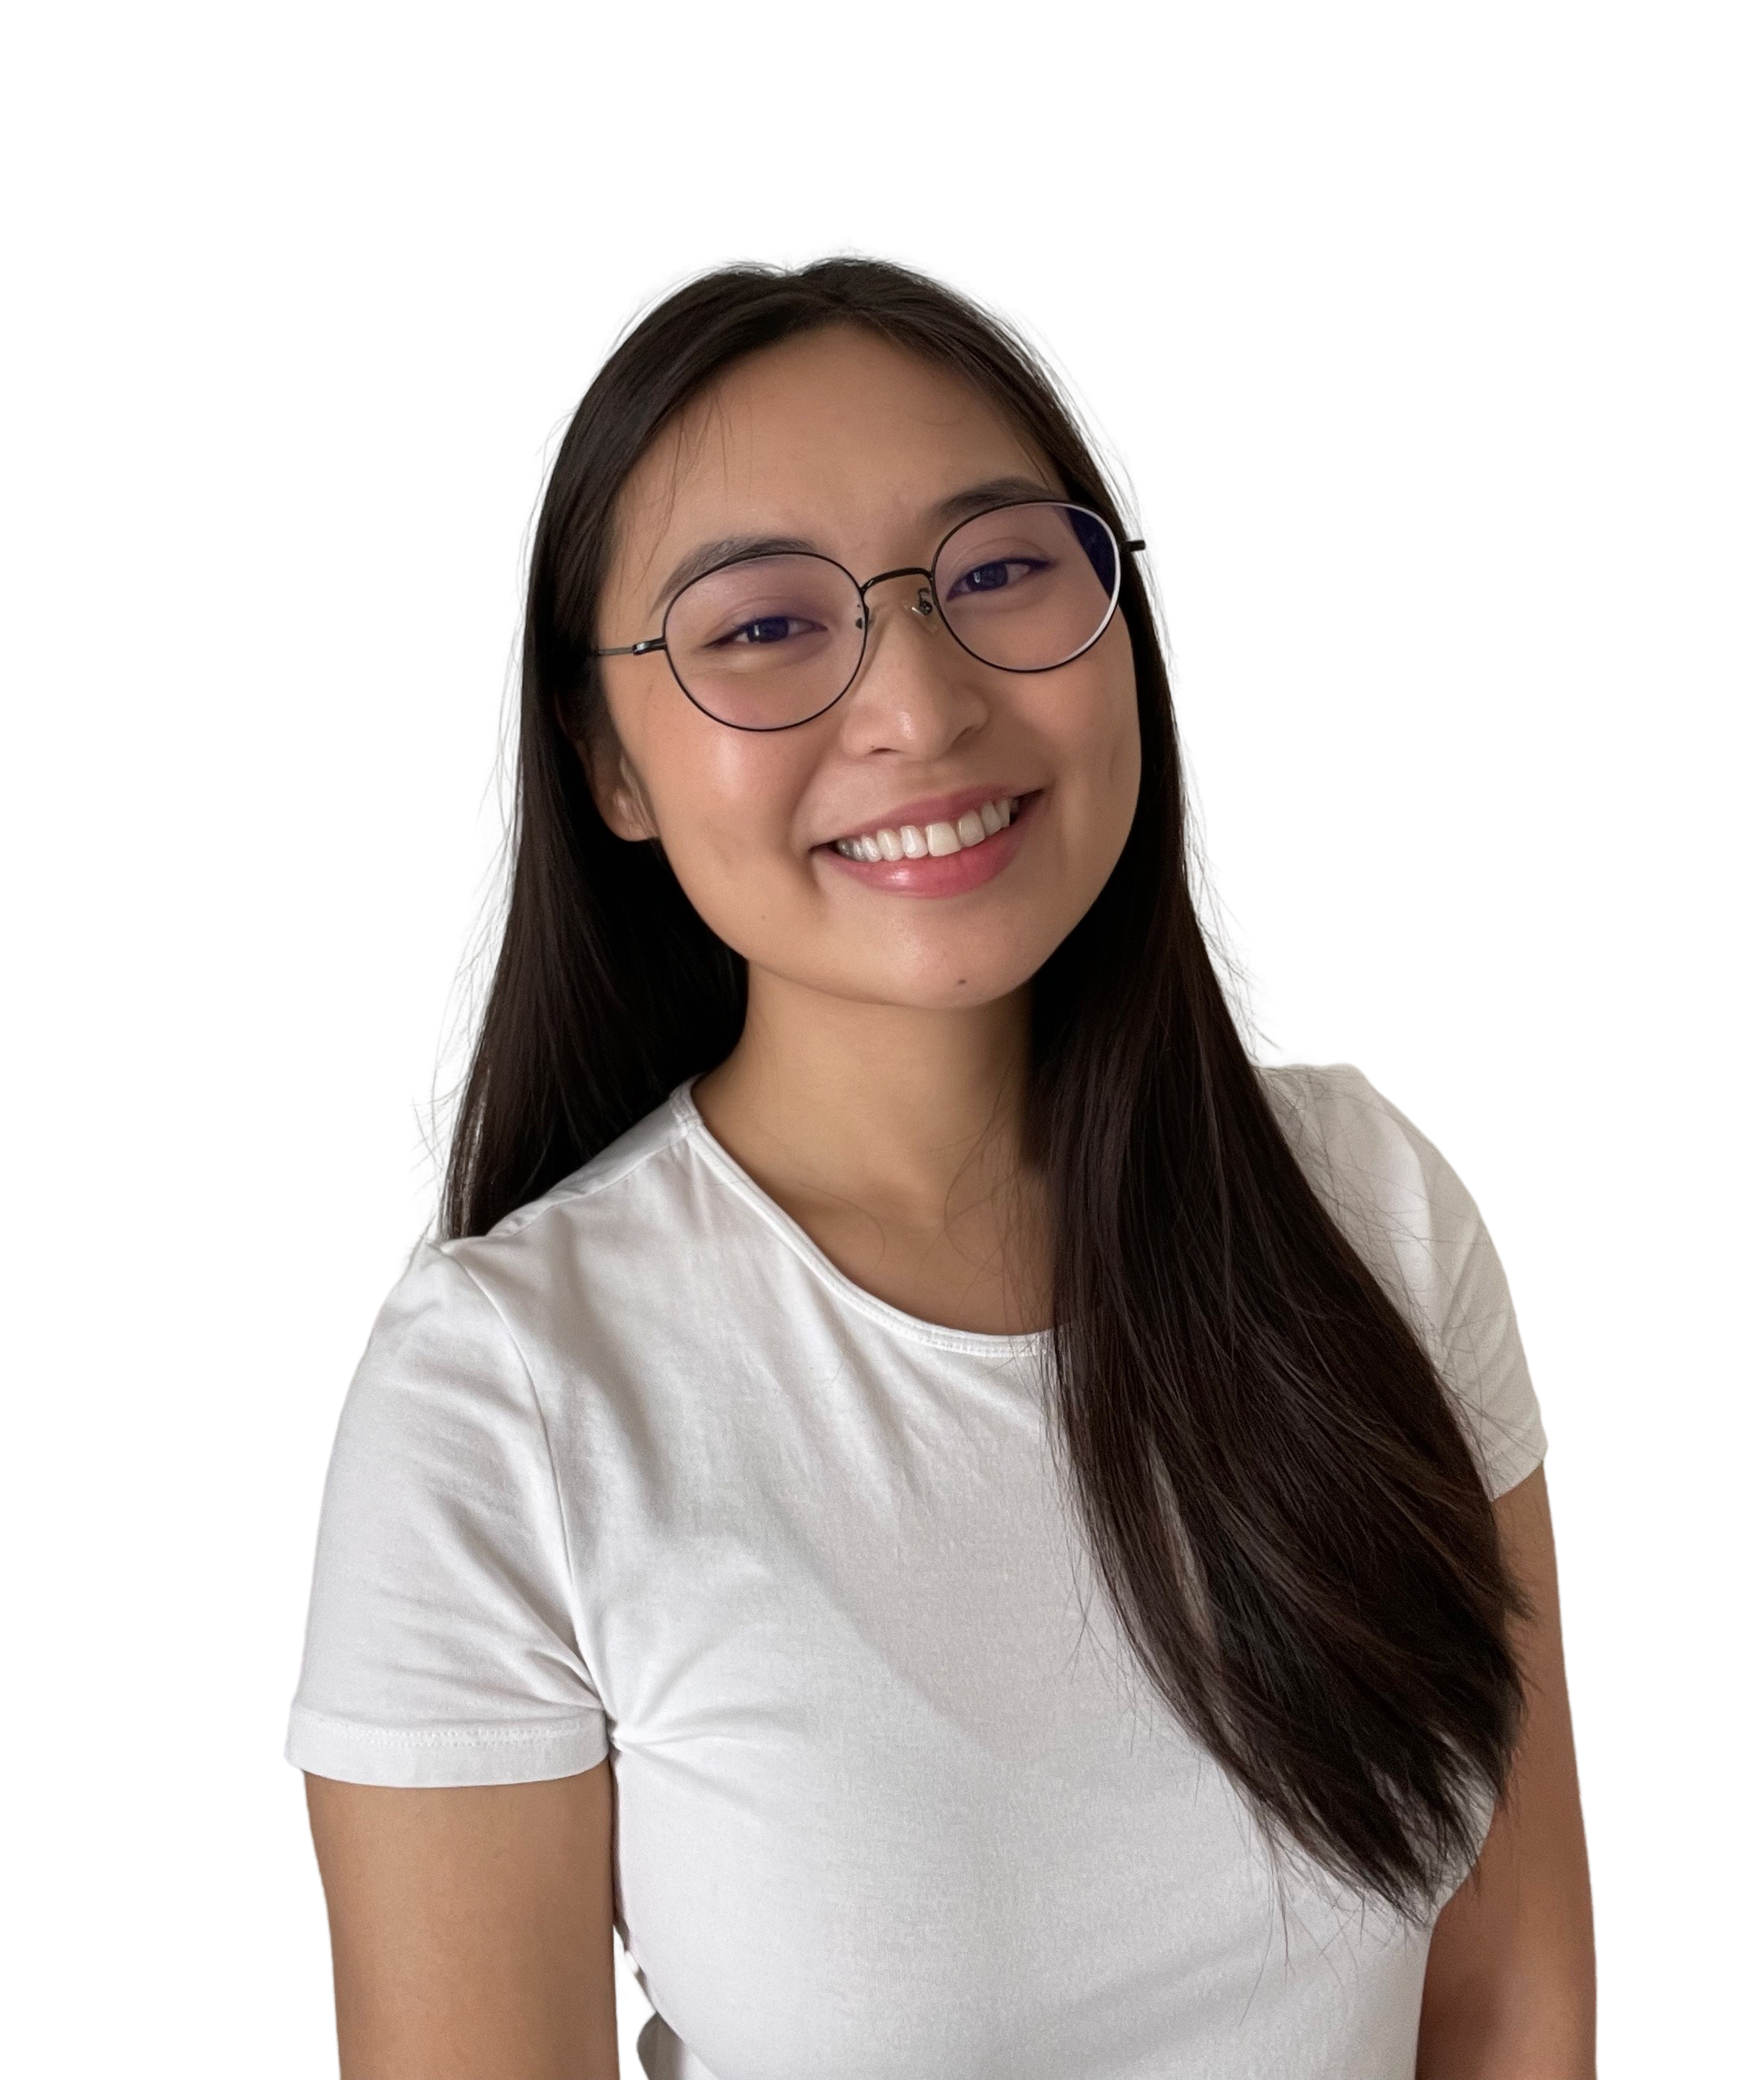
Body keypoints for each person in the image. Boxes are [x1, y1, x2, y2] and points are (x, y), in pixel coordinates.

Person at [285, 244, 1597, 2078]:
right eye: (760, 627)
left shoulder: (1367, 1201)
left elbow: (1513, 2001)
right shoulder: (500, 1398)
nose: (919, 701)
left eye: (997, 573)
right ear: (609, 761)